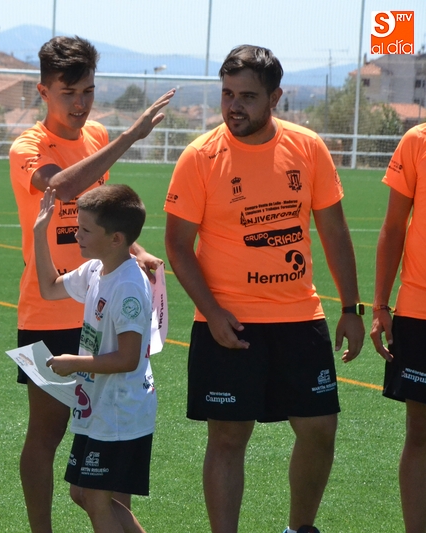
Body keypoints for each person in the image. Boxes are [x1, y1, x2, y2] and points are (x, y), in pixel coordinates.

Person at [163, 45, 364, 533]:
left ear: (275, 98)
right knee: (228, 438)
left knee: (320, 429)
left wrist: (351, 307)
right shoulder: (200, 156)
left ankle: (300, 529)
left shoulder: (308, 147)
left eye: (247, 97)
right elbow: (178, 246)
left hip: (299, 317)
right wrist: (212, 312)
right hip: (230, 323)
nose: (234, 106)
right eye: (227, 94)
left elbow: (334, 231)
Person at [8, 35, 173, 532]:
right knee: (47, 433)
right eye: (69, 93)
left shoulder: (97, 134)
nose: (80, 104)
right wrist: (132, 136)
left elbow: (104, 216)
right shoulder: (27, 146)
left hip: (102, 311)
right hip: (48, 310)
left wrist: (137, 252)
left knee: (111, 435)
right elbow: (63, 187)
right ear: (43, 91)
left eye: (88, 91)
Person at [34, 184, 155, 533]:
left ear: (116, 239)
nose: (77, 236)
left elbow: (129, 358)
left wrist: (74, 363)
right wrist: (39, 234)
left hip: (120, 411)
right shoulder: (95, 270)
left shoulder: (127, 286)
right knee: (82, 493)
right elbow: (49, 288)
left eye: (86, 230)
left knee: (95, 497)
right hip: (98, 407)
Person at [370, 122, 426, 533]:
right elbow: (393, 227)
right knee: (420, 433)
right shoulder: (418, 141)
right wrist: (380, 305)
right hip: (419, 311)